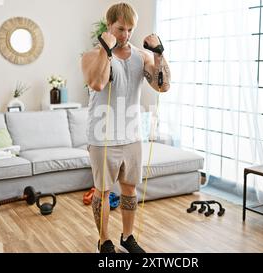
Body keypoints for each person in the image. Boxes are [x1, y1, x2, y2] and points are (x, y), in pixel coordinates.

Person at [81, 2, 170, 253]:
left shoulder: (141, 58)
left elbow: (162, 86)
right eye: (120, 29)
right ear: (108, 26)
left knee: (130, 189)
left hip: (132, 135)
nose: (126, 35)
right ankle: (104, 239)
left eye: (130, 29)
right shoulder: (90, 56)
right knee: (103, 190)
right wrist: (105, 51)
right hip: (102, 136)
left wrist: (159, 54)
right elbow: (98, 83)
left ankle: (127, 237)